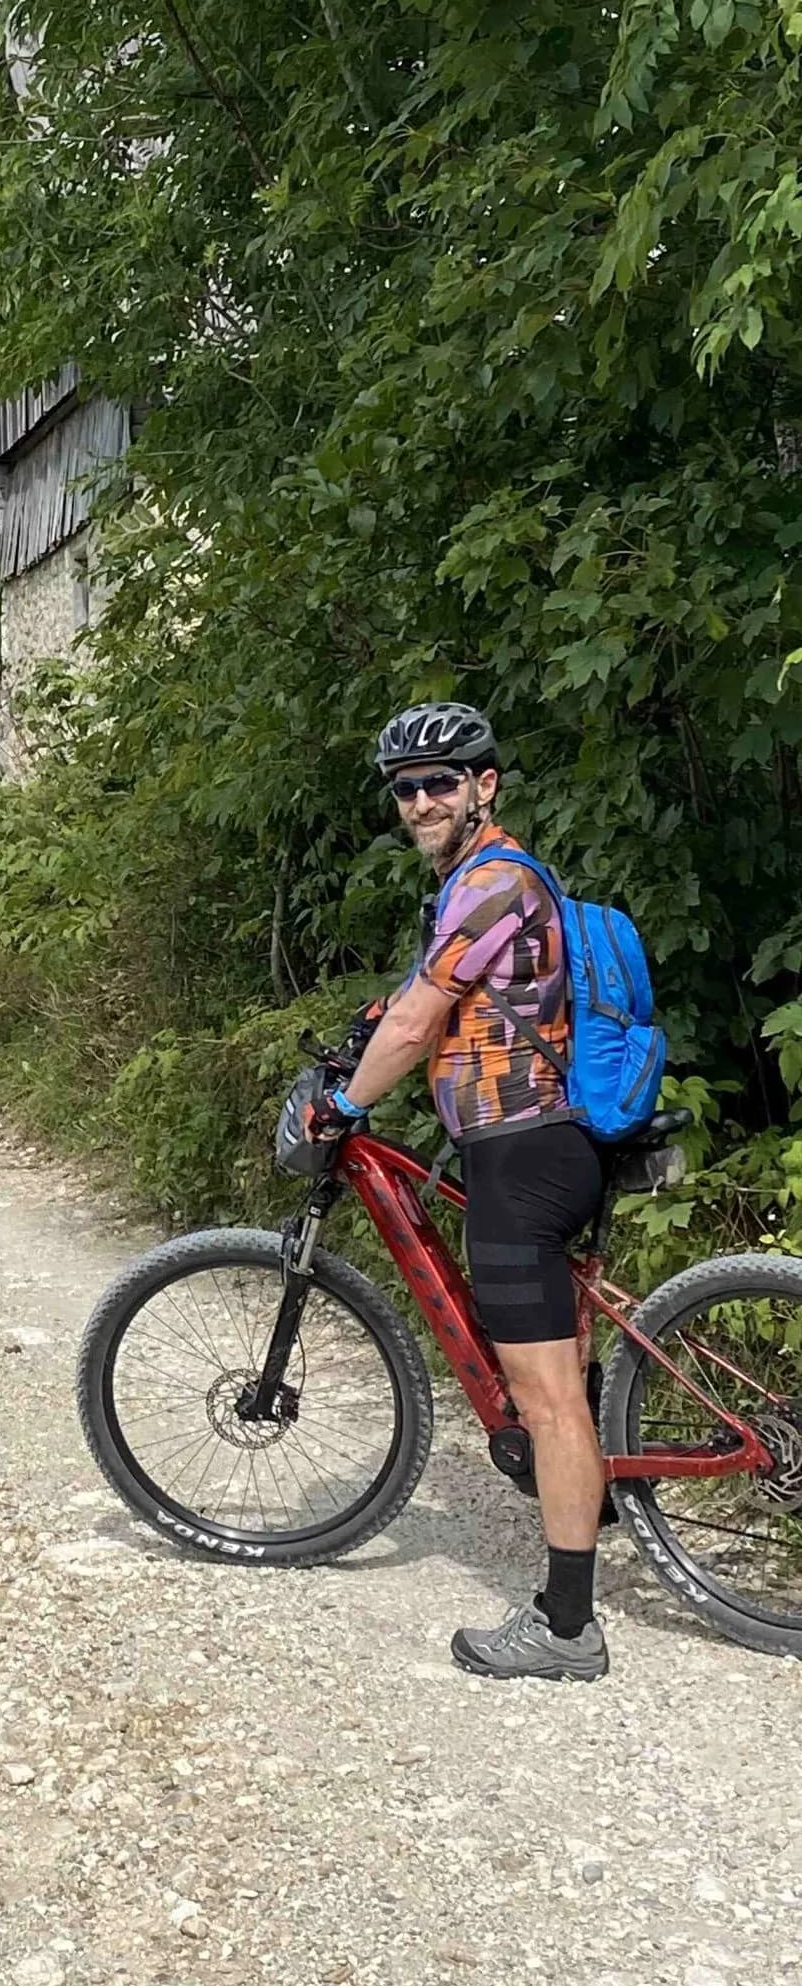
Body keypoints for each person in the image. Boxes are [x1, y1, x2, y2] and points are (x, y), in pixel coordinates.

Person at [315, 701, 610, 1683]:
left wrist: (340, 1107)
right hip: (515, 1152)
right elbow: (413, 1000)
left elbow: (418, 1025)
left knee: (546, 1399)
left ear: (486, 786)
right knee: (555, 1379)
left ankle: (568, 1628)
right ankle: (592, 1484)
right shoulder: (468, 885)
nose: (422, 799)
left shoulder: (494, 881)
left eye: (443, 780)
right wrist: (365, 1031)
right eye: (406, 787)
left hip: (526, 1159)